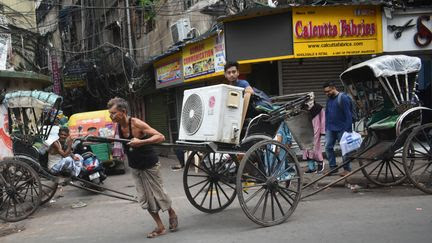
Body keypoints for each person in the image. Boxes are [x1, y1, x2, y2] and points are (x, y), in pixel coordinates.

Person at [107, 97, 178, 238]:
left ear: (123, 111)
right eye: (110, 113)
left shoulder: (136, 123)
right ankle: (160, 226)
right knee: (145, 198)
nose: (111, 116)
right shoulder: (118, 127)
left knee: (159, 194)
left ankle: (172, 213)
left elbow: (161, 136)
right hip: (135, 166)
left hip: (150, 164)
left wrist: (141, 142)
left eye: (114, 113)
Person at [323, 81, 353, 176]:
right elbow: (327, 113)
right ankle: (333, 168)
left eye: (328, 91)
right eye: (325, 92)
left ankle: (347, 169)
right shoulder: (329, 99)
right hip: (330, 128)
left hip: (342, 128)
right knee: (328, 147)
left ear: (333, 88)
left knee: (344, 149)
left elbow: (349, 115)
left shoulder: (343, 98)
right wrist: (326, 127)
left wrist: (348, 130)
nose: (327, 94)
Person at [303, 101, 326, 173]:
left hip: (316, 129)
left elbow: (323, 119)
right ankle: (311, 168)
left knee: (315, 148)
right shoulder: (303, 107)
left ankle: (320, 163)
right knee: (306, 149)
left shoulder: (318, 108)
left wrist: (322, 131)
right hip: (306, 130)